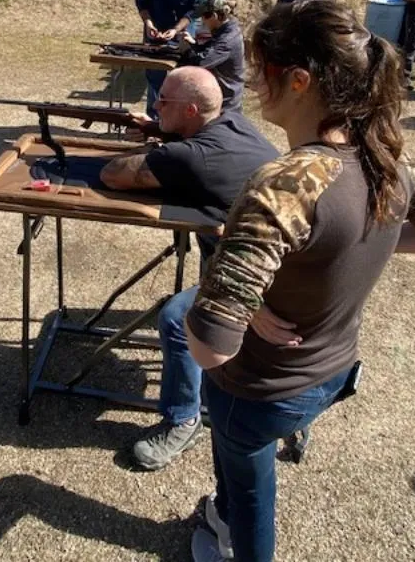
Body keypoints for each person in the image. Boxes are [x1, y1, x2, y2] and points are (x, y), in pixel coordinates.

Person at [184, 0, 415, 562]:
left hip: (259, 391)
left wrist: (221, 287)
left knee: (250, 491)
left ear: (298, 80)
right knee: (237, 478)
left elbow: (207, 348)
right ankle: (222, 516)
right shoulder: (392, 166)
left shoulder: (282, 185)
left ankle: (236, 540)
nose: (253, 82)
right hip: (334, 370)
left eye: (262, 69)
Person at [99, 67, 281, 471]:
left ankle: (184, 418)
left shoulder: (188, 157)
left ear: (193, 109)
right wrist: (161, 130)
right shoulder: (234, 121)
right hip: (286, 263)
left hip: (266, 281)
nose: (155, 105)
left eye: (165, 102)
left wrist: (149, 146)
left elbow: (111, 174)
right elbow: (197, 143)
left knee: (179, 319)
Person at [135, 0, 207, 116]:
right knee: (155, 78)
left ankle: (179, 122)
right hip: (155, 29)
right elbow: (142, 2)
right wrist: (149, 24)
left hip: (183, 31)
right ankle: (153, 121)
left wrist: (176, 30)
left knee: (183, 79)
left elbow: (196, 8)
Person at [177, 0, 245, 112]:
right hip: (220, 97)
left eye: (203, 18)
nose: (203, 22)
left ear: (213, 16)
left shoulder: (227, 39)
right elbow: (208, 51)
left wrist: (186, 50)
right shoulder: (225, 32)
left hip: (226, 104)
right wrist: (193, 45)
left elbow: (201, 63)